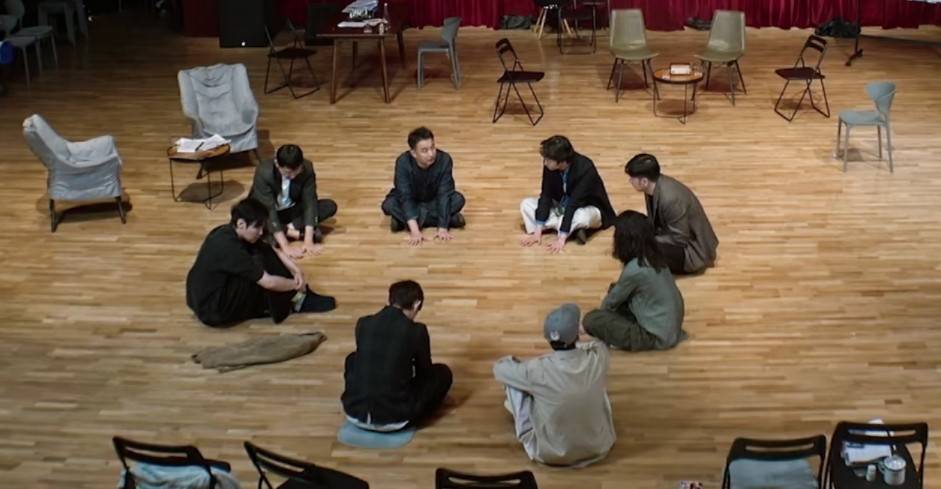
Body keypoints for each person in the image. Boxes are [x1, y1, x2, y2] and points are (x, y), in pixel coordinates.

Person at [493, 303, 615, 467]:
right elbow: (598, 344)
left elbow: (499, 370)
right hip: (598, 448)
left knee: (513, 382)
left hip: (551, 455)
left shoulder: (536, 370)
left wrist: (512, 361)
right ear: (577, 335)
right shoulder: (598, 357)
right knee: (596, 385)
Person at [185, 198, 336, 328]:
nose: (261, 232)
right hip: (213, 309)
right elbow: (268, 282)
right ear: (241, 224)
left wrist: (297, 270)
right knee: (260, 267)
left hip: (200, 298)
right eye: (257, 227)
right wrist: (296, 285)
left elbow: (271, 249)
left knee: (262, 251)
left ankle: (295, 299)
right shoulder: (229, 248)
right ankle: (297, 301)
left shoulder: (226, 231)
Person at [341, 280, 453, 430]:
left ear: (389, 300)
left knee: (353, 358)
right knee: (443, 373)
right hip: (396, 418)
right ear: (417, 304)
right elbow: (425, 373)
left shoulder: (363, 323)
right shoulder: (417, 330)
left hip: (354, 413)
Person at [582, 211, 686, 351]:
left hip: (655, 336)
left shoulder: (635, 269)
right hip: (669, 328)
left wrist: (602, 320)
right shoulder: (654, 256)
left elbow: (610, 303)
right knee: (617, 289)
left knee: (591, 320)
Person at [520, 135, 617, 253]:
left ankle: (564, 227)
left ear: (561, 161)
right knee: (526, 204)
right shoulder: (550, 165)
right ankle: (570, 228)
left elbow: (574, 203)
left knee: (581, 217)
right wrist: (537, 232)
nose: (545, 163)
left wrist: (561, 238)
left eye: (548, 160)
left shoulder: (585, 168)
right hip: (561, 205)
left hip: (584, 206)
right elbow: (546, 194)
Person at [625, 153, 718, 274]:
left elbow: (679, 239)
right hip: (671, 233)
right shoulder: (652, 187)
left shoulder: (670, 199)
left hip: (692, 250)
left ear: (644, 181)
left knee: (642, 248)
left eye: (632, 178)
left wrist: (648, 239)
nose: (630, 181)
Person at [381, 127, 466, 247]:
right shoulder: (402, 162)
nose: (431, 154)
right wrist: (415, 231)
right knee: (388, 204)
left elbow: (444, 193)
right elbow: (405, 196)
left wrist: (442, 227)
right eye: (424, 151)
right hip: (413, 201)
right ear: (414, 153)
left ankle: (403, 221)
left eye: (432, 148)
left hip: (434, 200)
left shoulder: (445, 160)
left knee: (458, 199)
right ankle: (450, 219)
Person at [249, 144, 337, 259]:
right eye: (288, 173)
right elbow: (269, 211)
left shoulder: (307, 168)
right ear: (277, 164)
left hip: (290, 210)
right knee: (253, 221)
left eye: (296, 171)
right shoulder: (264, 172)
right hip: (266, 213)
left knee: (329, 206)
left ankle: (282, 232)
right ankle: (292, 233)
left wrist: (308, 240)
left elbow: (310, 202)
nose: (293, 176)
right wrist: (285, 246)